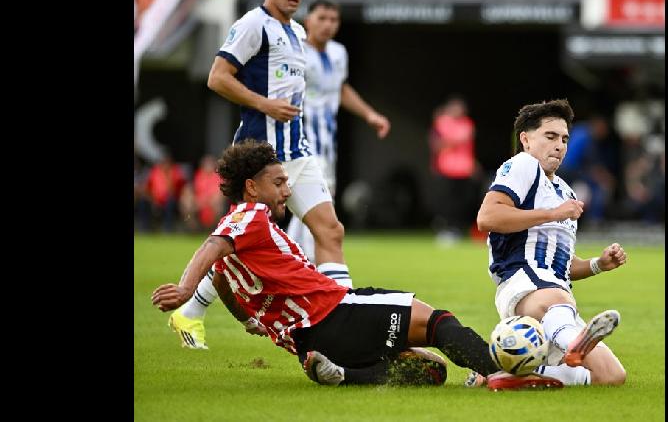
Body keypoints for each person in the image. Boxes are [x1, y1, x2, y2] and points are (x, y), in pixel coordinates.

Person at [152, 140, 516, 387]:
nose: (287, 190)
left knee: (430, 371)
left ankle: (343, 373)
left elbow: (219, 279)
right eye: (278, 182)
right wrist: (185, 289)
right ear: (251, 187)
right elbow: (211, 247)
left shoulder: (236, 235)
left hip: (306, 344)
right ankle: (499, 372)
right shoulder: (250, 215)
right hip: (336, 313)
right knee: (438, 322)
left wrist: (249, 318)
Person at [167, 0, 353, 350]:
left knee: (330, 230)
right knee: (239, 247)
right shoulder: (253, 25)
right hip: (261, 158)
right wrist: (264, 104)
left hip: (299, 154)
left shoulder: (298, 32)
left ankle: (346, 315)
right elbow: (218, 78)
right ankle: (191, 311)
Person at [469, 99, 628, 389]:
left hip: (555, 301)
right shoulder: (523, 165)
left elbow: (560, 264)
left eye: (565, 139)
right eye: (551, 136)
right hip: (524, 285)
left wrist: (598, 264)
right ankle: (573, 340)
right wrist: (553, 213)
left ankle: (509, 373)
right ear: (526, 139)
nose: (560, 146)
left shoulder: (564, 189)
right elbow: (487, 217)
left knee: (611, 376)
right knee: (557, 298)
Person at [286, 0, 391, 262]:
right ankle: (307, 262)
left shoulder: (338, 53)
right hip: (302, 140)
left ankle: (294, 260)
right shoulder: (295, 52)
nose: (328, 25)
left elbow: (340, 88)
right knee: (315, 203)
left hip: (327, 143)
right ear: (308, 21)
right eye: (322, 18)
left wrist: (370, 114)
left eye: (334, 20)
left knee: (314, 203)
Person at [428, 96, 480, 244]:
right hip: (446, 168)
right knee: (446, 202)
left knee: (463, 201)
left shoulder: (467, 123)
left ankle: (457, 229)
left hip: (464, 169)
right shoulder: (442, 122)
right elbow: (436, 143)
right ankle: (446, 229)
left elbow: (466, 143)